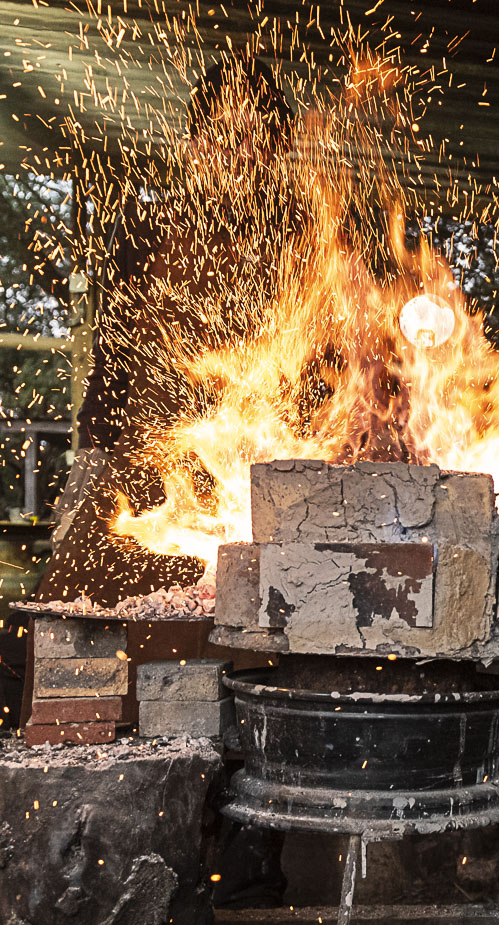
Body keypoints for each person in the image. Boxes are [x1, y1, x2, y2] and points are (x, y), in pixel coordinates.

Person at [38, 57, 295, 605]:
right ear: (192, 144)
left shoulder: (307, 247)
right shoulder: (147, 231)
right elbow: (114, 357)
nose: (233, 153)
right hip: (144, 473)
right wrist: (93, 454)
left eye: (250, 138)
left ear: (276, 154)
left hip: (255, 487)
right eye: (218, 136)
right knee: (75, 618)